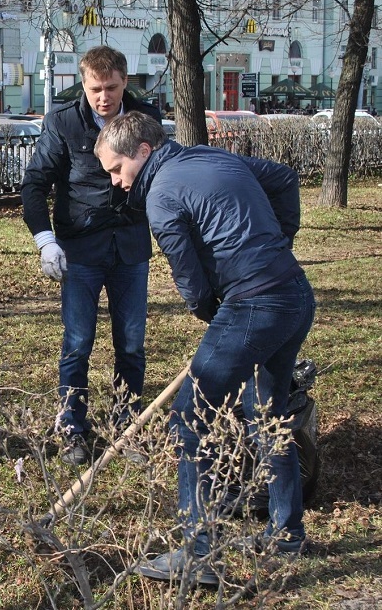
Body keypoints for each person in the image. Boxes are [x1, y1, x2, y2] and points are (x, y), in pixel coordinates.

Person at [94, 112, 315, 584]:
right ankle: (286, 534)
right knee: (267, 415)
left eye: (116, 169)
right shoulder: (214, 157)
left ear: (143, 152)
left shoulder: (160, 195)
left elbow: (189, 278)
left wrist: (214, 312)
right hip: (295, 294)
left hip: (254, 304)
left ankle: (197, 554)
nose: (116, 182)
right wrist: (281, 239)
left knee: (189, 419)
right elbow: (284, 178)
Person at [21, 45, 162, 465]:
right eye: (95, 88)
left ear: (125, 80)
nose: (104, 97)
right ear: (83, 83)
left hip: (131, 249)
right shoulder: (62, 122)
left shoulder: (145, 118)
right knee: (78, 343)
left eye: (112, 87)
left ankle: (127, 427)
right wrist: (45, 238)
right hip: (80, 251)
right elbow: (34, 185)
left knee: (132, 344)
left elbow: (160, 174)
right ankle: (72, 429)